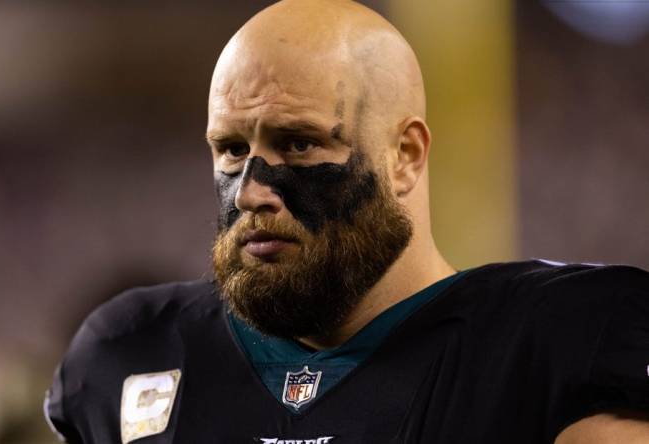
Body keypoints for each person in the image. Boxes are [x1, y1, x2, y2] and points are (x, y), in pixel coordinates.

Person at [44, 1, 649, 443]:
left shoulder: (554, 346)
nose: (253, 191)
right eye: (230, 149)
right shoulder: (128, 352)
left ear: (404, 157)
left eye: (300, 145)